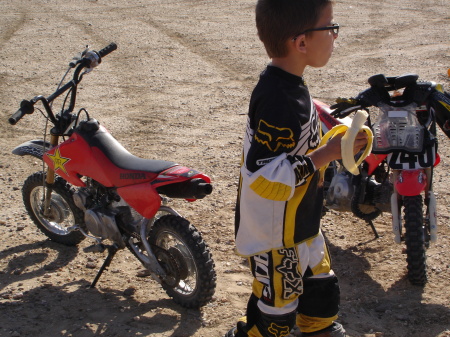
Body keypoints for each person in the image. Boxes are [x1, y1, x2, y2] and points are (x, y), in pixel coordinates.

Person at [225, 1, 368, 336]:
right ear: (301, 42)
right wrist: (327, 154)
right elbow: (264, 178)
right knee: (277, 314)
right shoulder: (279, 99)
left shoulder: (290, 83)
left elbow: (296, 148)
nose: (334, 35)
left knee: (321, 293)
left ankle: (318, 329)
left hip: (301, 219)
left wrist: (337, 143)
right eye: (330, 27)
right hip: (274, 233)